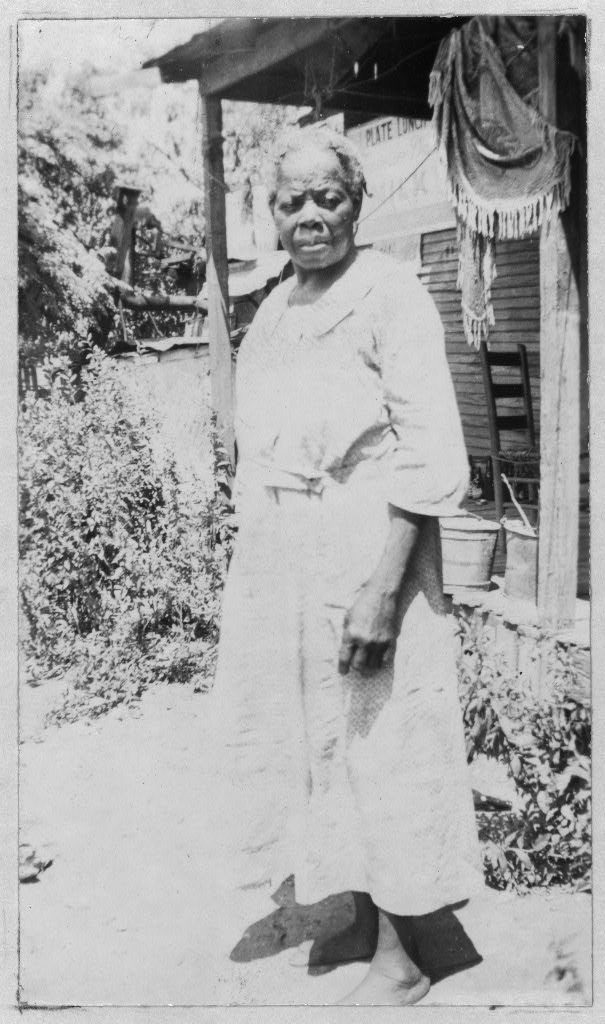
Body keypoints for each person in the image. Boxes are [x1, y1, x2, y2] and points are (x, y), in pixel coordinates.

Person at [208, 125, 483, 1006]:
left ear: (356, 204)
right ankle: (357, 915)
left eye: (327, 197)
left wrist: (382, 588)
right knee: (319, 739)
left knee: (386, 742)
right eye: (291, 201)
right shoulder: (275, 308)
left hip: (370, 542)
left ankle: (405, 957)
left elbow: (431, 446)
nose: (309, 216)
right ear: (271, 214)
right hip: (288, 552)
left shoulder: (390, 294)